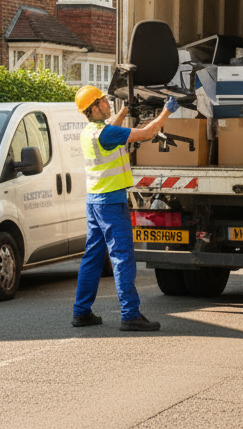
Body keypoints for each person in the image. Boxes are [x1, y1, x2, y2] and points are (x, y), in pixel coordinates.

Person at [71, 85, 176, 332]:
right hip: (110, 202)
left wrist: (127, 108)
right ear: (94, 107)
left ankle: (81, 311)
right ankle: (130, 314)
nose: (109, 104)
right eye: (105, 101)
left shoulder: (91, 132)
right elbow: (147, 133)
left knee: (93, 256)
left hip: (94, 200)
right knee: (122, 256)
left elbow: (113, 129)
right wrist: (166, 111)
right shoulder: (106, 135)